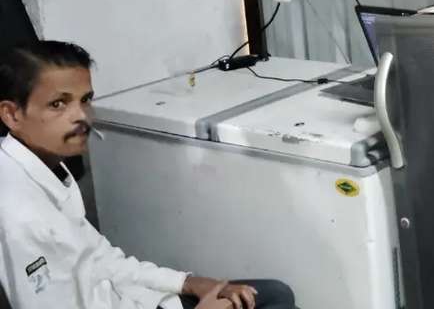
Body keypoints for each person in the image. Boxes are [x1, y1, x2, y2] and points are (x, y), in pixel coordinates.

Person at [0, 41, 297, 309]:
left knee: (275, 294)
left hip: (127, 298)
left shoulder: (47, 166)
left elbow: (102, 259)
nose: (80, 116)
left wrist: (189, 282)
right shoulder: (19, 215)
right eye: (58, 104)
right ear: (12, 115)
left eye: (85, 99)